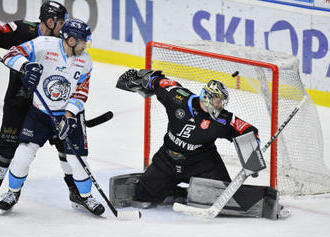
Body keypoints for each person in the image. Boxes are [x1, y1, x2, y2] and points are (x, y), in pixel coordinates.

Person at [0, 18, 105, 216]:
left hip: (69, 115)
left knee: (78, 160)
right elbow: (10, 54)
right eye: (83, 41)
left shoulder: (85, 62)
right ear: (71, 40)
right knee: (23, 154)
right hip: (39, 113)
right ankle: (12, 193)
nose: (86, 46)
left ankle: (85, 196)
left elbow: (81, 93)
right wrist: (25, 66)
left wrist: (69, 115)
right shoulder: (43, 45)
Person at [115, 69, 259, 205]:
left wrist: (253, 155)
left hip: (203, 164)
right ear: (207, 98)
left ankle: (191, 192)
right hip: (168, 160)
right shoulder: (178, 98)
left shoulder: (223, 119)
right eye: (217, 101)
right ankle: (177, 192)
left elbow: (247, 130)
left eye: (221, 101)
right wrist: (146, 78)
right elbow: (160, 82)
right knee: (143, 197)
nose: (220, 105)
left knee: (225, 199)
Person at [0, 1, 79, 202]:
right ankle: (9, 190)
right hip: (19, 102)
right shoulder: (21, 30)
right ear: (50, 21)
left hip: (50, 106)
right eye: (61, 22)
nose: (65, 27)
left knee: (66, 146)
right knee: (7, 147)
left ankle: (77, 192)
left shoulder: (64, 41)